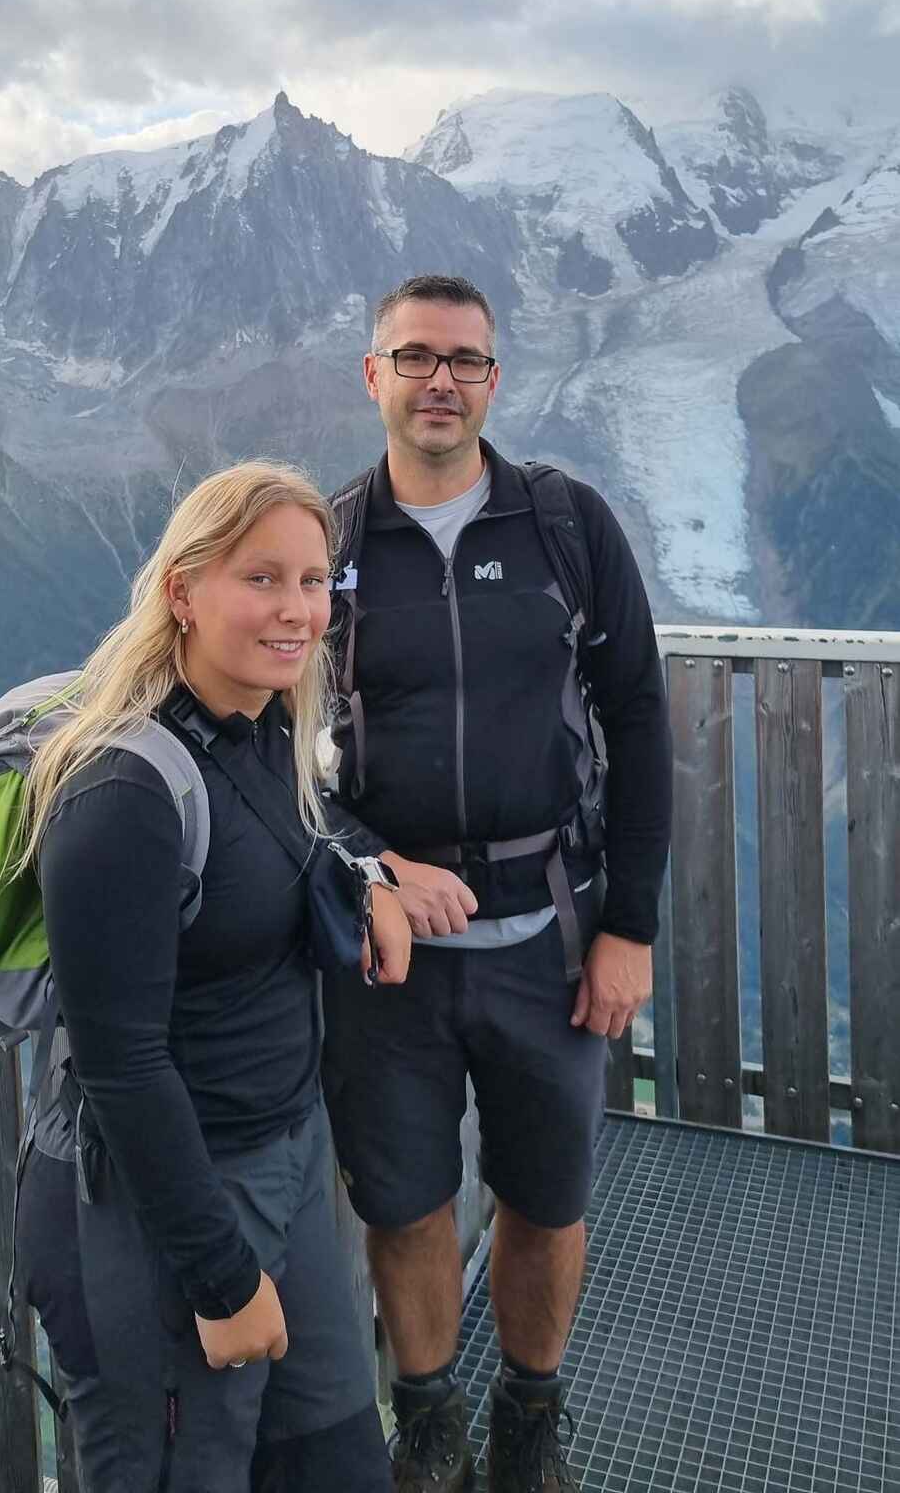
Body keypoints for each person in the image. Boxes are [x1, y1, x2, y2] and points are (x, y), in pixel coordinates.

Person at [323, 274, 673, 1493]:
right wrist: (375, 862)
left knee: (545, 1197)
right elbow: (279, 753)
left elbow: (637, 713)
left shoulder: (565, 525)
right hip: (390, 956)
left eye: (465, 359)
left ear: (494, 380)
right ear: (374, 375)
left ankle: (529, 1418)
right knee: (405, 1198)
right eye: (415, 355)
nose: (441, 379)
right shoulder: (327, 544)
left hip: (555, 938)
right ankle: (429, 1423)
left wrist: (630, 923)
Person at [12, 461, 410, 1493]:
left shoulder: (262, 726)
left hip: (282, 1157)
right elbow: (122, 1062)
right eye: (262, 577)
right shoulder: (121, 792)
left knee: (337, 1463)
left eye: (316, 580)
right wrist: (224, 1275)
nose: (297, 609)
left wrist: (368, 886)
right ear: (182, 590)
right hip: (163, 1212)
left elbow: (277, 851)